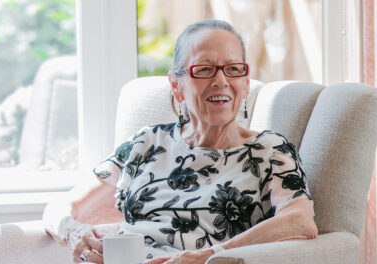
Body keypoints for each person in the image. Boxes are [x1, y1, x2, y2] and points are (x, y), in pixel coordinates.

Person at [45, 20, 317, 264]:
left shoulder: (269, 151)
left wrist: (209, 256)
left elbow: (300, 221)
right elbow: (61, 207)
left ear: (245, 83)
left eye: (233, 69)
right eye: (204, 69)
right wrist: (73, 231)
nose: (220, 80)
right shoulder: (147, 143)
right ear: (176, 85)